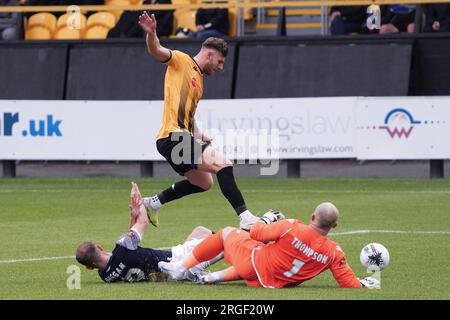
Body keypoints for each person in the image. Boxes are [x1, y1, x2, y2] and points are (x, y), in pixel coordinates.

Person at [138, 11, 259, 231]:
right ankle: (245, 216)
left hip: (174, 138)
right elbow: (156, 50)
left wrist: (201, 135)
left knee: (203, 183)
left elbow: (188, 117)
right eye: (220, 61)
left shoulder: (199, 81)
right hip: (173, 137)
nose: (221, 67)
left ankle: (153, 203)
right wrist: (152, 33)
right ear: (209, 54)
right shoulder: (182, 61)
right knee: (223, 164)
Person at [159, 202, 379, 289]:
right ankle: (209, 277)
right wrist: (371, 276)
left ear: (313, 216)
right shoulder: (334, 252)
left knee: (226, 234)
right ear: (335, 225)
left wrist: (268, 218)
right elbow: (349, 284)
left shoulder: (292, 226)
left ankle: (180, 268)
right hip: (272, 281)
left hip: (254, 265)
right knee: (256, 255)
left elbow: (255, 232)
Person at [75, 182, 222, 283]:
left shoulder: (105, 276)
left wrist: (133, 216)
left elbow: (128, 241)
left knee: (200, 231)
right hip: (179, 259)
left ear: (89, 267)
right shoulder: (123, 248)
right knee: (226, 238)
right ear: (99, 247)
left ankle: (197, 271)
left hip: (168, 274)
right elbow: (144, 222)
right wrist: (139, 201)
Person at [108, 0, 173, 39]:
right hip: (145, 26)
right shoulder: (146, 2)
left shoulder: (166, 2)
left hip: (159, 27)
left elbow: (162, 18)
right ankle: (117, 35)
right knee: (128, 14)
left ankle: (124, 37)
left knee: (137, 20)